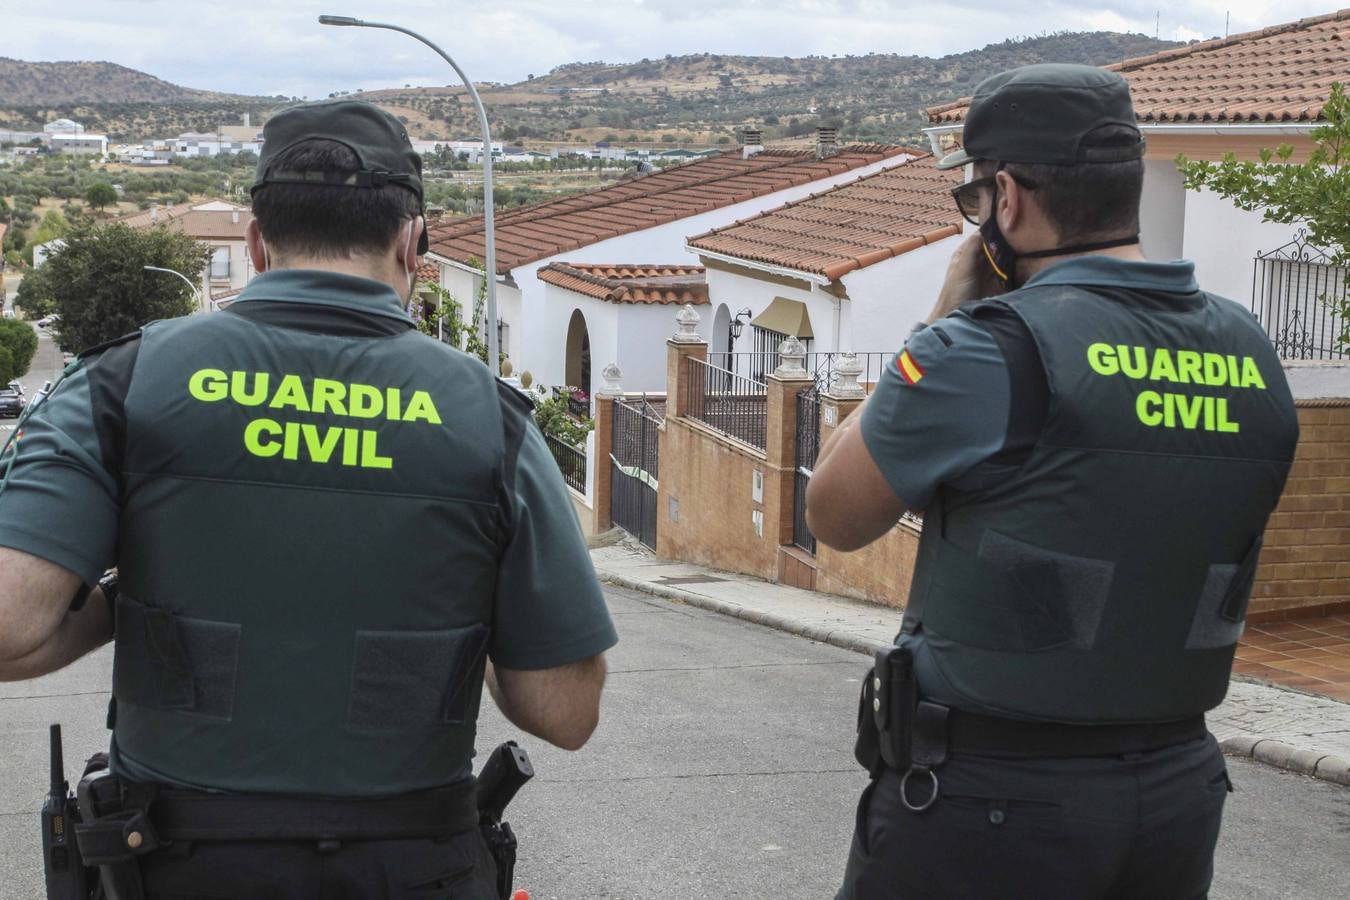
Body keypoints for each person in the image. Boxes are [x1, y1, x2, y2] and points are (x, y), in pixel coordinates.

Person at [0, 99, 618, 898]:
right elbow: (563, 712)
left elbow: (11, 626)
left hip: (173, 864)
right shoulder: (489, 419)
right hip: (410, 866)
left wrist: (136, 603)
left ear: (257, 243)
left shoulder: (121, 383)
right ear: (411, 243)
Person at [807, 64, 1299, 899]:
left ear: (1007, 197)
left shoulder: (987, 349)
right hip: (1177, 795)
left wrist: (938, 321)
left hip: (993, 802)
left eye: (975, 202)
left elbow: (834, 512)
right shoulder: (1251, 350)